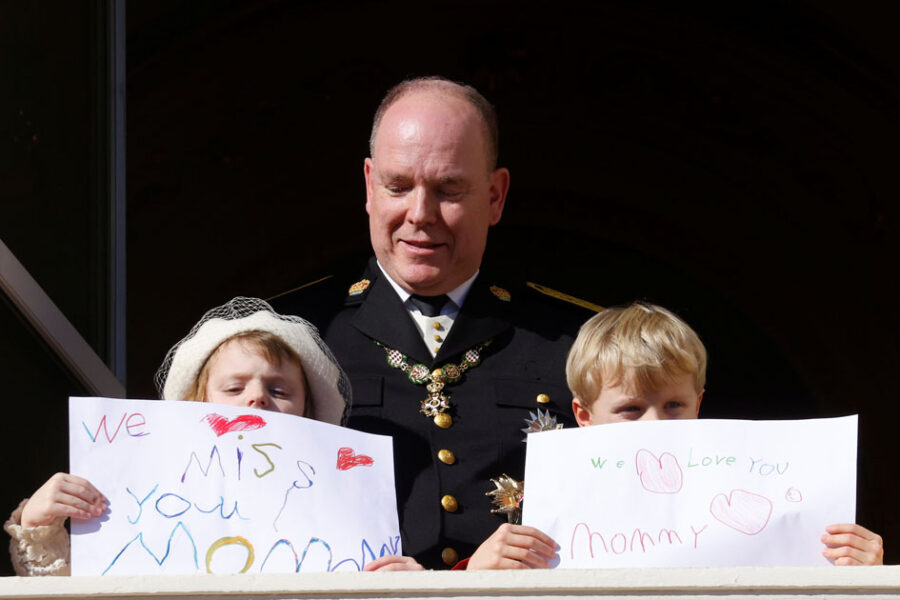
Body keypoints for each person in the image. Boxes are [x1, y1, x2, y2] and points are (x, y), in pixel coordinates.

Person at [271, 77, 599, 569]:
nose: (420, 214)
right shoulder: (288, 336)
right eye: (398, 187)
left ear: (494, 195)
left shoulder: (577, 341)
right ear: (368, 185)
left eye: (448, 189)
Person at [5, 297, 421, 575]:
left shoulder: (347, 509)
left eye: (279, 390)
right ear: (197, 402)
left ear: (310, 413)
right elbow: (77, 585)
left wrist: (409, 588)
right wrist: (39, 526)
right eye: (234, 388)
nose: (257, 399)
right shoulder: (137, 494)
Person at [558, 301, 882, 566]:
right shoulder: (556, 506)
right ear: (584, 415)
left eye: (673, 405)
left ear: (697, 404)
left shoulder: (750, 483)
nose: (654, 424)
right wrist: (508, 575)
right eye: (631, 409)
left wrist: (864, 577)